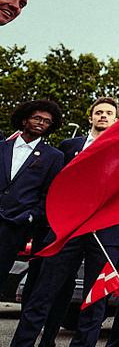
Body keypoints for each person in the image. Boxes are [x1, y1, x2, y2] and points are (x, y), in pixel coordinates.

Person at [11, 100, 119, 347]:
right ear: (90, 118)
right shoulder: (69, 147)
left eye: (109, 113)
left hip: (107, 234)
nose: (103, 116)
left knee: (95, 301)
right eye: (98, 112)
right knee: (43, 293)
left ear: (116, 120)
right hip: (67, 230)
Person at [0, 100, 63, 280]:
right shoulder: (2, 147)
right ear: (24, 120)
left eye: (46, 121)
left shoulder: (53, 157)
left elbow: (49, 194)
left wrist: (30, 217)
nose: (41, 122)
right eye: (37, 118)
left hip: (15, 227)